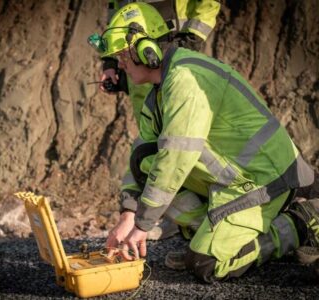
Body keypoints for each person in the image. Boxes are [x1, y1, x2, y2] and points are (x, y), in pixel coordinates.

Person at [90, 2, 318, 282]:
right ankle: (212, 234)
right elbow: (142, 154)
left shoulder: (186, 80)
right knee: (145, 160)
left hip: (265, 180)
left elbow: (175, 159)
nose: (120, 63)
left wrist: (143, 225)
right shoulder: (159, 93)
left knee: (207, 263)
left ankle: (301, 221)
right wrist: (128, 215)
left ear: (146, 50)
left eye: (123, 54)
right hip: (236, 180)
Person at [93, 0, 221, 240]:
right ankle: (183, 220)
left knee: (177, 148)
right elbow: (145, 149)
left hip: (168, 46)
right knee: (150, 147)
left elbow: (176, 155)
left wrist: (192, 36)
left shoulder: (186, 87)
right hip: (139, 56)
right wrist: (113, 61)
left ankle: (209, 221)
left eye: (119, 59)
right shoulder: (129, 63)